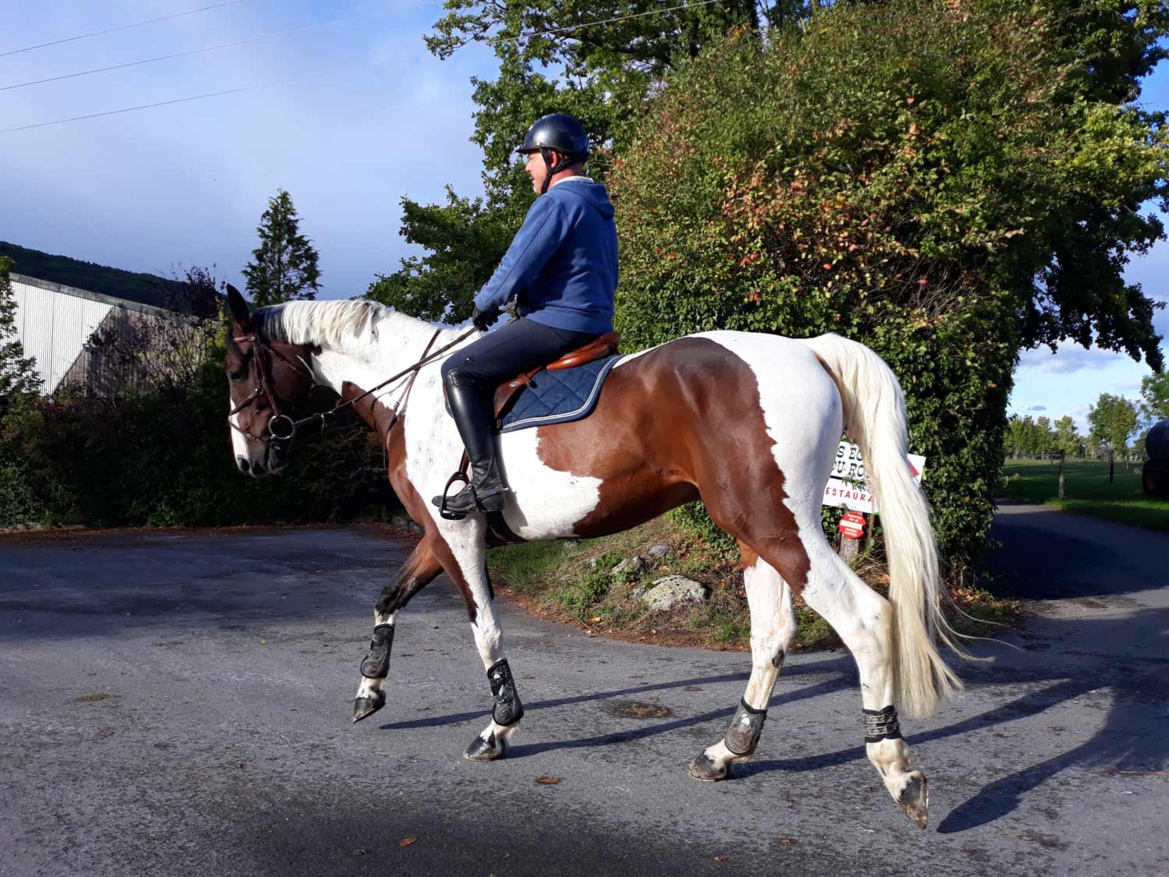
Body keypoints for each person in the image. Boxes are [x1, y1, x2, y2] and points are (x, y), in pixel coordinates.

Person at [432, 113, 619, 517]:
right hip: (594, 321)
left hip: (560, 322)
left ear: (553, 157)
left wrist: (484, 304)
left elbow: (515, 267)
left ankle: (484, 485)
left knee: (458, 370)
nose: (526, 166)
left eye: (531, 156)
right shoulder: (596, 206)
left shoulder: (557, 202)